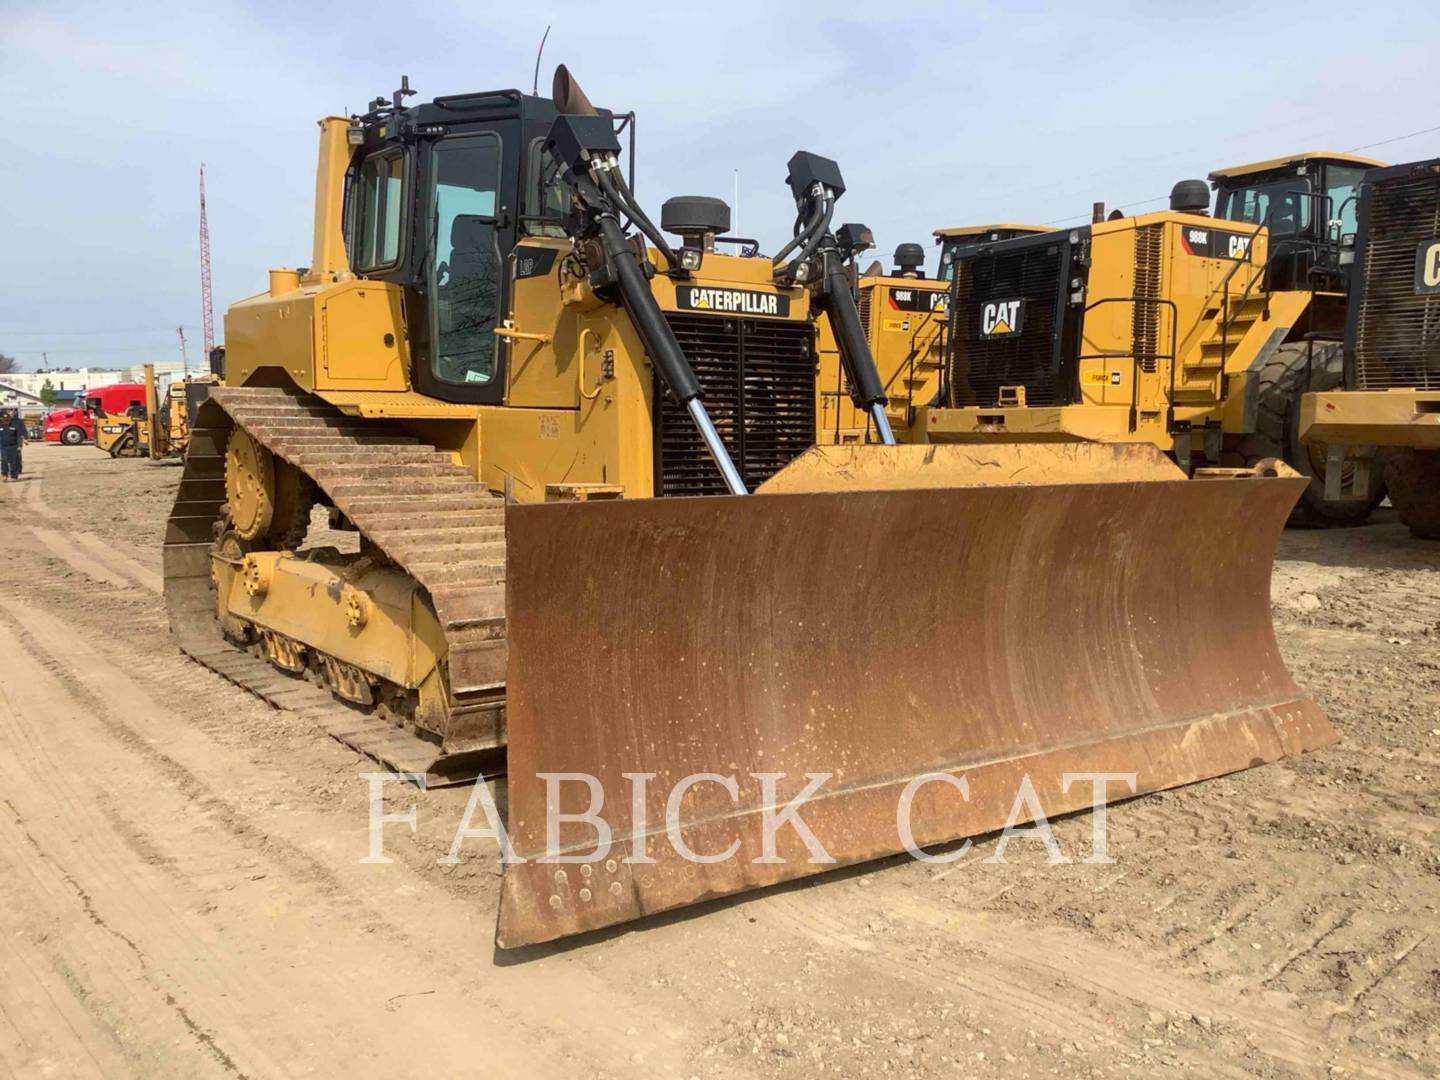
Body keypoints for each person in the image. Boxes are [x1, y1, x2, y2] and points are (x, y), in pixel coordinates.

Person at [0, 407, 25, 481]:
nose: (6, 421)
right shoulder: (1, 427)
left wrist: (20, 445)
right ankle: (4, 475)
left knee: (14, 461)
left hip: (13, 447)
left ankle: (14, 476)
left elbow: (19, 436)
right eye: (4, 419)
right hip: (3, 447)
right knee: (4, 461)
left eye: (7, 419)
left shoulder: (14, 426)